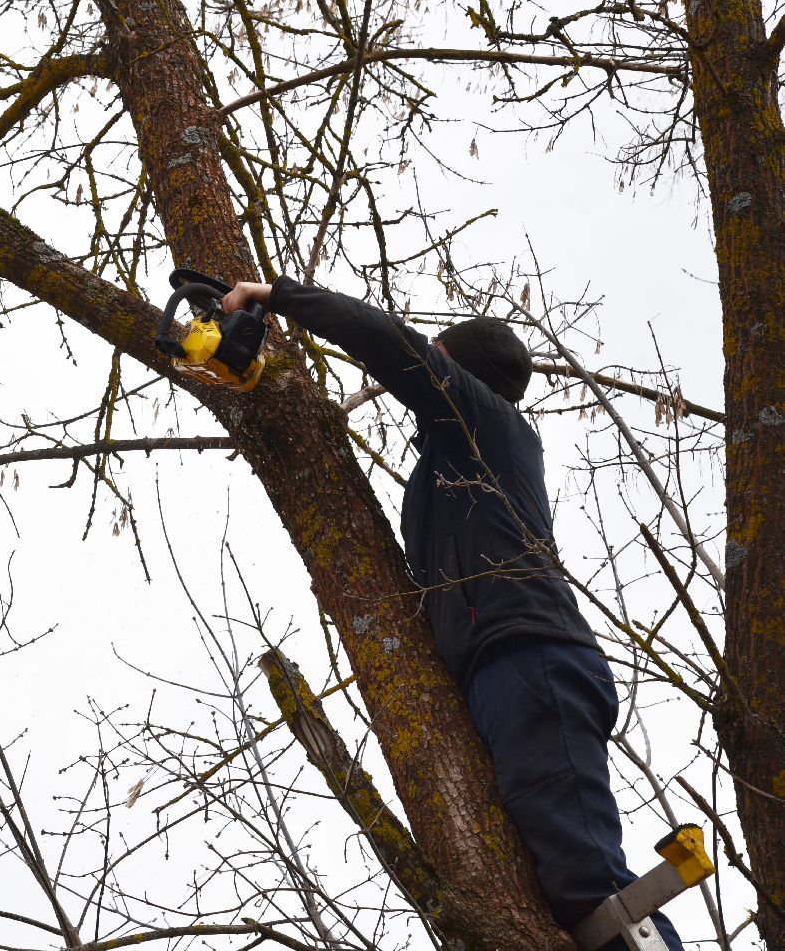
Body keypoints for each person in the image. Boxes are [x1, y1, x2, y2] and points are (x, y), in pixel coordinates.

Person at [220, 275, 682, 951]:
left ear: (456, 368)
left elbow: (389, 343)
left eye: (438, 355)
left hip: (533, 662)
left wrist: (278, 297)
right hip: (501, 673)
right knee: (557, 902)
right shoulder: (456, 457)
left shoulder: (487, 422)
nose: (427, 362)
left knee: (595, 896)